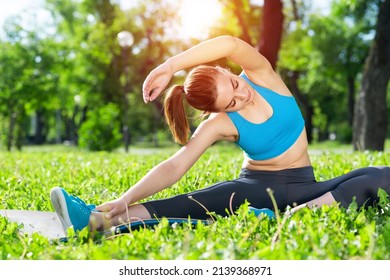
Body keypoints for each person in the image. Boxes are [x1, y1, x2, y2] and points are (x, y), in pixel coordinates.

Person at [50, 35, 390, 233]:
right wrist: (126, 196)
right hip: (253, 190)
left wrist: (170, 66)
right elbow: (175, 166)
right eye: (231, 102)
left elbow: (228, 42)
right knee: (187, 204)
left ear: (224, 70)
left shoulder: (263, 76)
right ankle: (95, 218)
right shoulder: (219, 124)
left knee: (376, 177)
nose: (243, 96)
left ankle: (286, 219)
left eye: (235, 85)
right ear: (219, 110)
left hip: (307, 186)